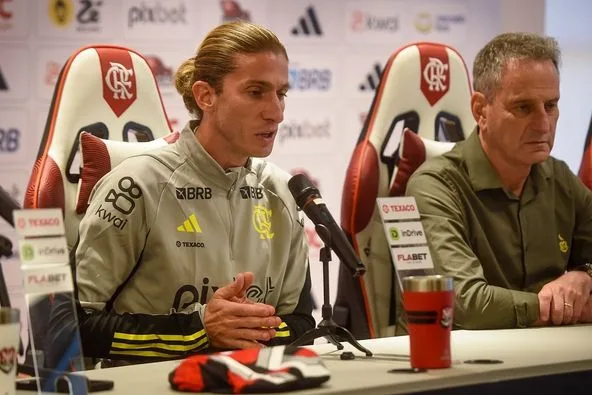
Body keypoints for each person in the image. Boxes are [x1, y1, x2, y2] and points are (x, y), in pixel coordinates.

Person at [64, 21, 314, 363]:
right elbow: (73, 325)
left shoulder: (282, 192)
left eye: (281, 93)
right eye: (256, 92)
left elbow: (301, 323)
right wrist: (199, 331)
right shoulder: (137, 185)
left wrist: (243, 327)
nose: (277, 112)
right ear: (205, 95)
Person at [404, 32, 592, 331]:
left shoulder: (559, 178)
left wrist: (583, 275)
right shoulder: (434, 187)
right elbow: (464, 303)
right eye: (523, 107)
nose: (543, 124)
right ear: (481, 110)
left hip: (550, 358)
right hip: (464, 368)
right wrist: (558, 307)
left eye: (551, 105)